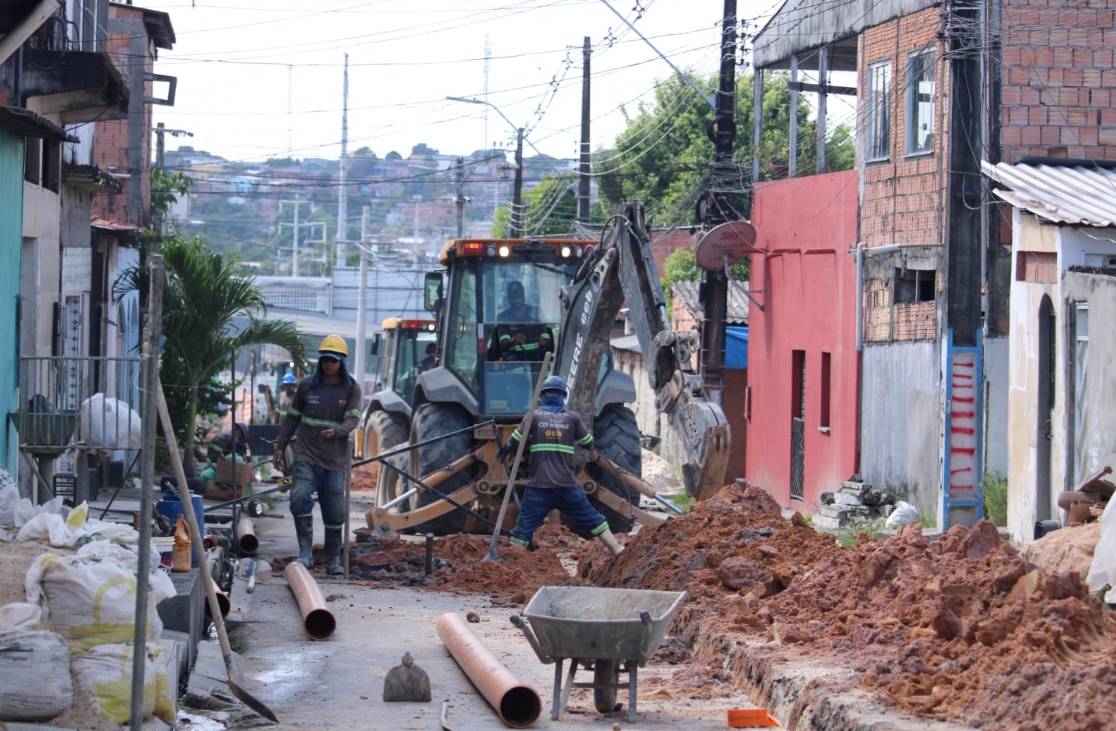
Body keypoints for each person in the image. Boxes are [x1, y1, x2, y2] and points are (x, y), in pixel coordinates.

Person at [497, 375, 624, 556]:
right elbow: (588, 442)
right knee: (592, 518)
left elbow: (515, 439)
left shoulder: (533, 415)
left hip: (539, 487)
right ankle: (617, 550)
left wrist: (506, 449)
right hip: (567, 487)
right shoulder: (572, 418)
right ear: (563, 396)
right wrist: (590, 448)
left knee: (523, 529)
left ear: (542, 396)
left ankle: (510, 563)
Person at [274, 335, 363, 574]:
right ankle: (306, 553)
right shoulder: (306, 387)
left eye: (333, 360)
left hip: (334, 460)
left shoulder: (351, 389)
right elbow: (292, 418)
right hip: (306, 453)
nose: (329, 365)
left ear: (342, 362)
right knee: (299, 496)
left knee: (335, 510)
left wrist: (338, 431)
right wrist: (280, 447)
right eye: (325, 360)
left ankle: (333, 560)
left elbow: (353, 418)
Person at [496, 280, 551, 361]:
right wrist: (513, 340)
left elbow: (548, 342)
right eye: (512, 298)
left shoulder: (536, 312)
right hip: (514, 360)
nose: (516, 300)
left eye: (519, 297)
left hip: (537, 358)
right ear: (508, 299)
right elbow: (503, 344)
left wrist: (544, 341)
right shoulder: (502, 317)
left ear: (523, 296)